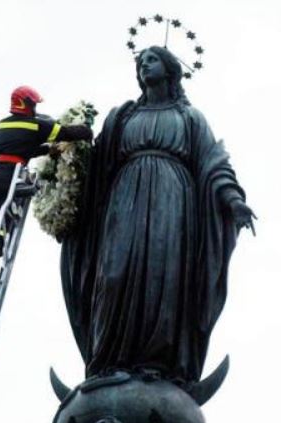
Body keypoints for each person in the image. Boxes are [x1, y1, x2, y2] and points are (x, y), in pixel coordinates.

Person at [61, 46, 255, 382]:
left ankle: (157, 362)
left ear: (169, 69)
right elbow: (95, 165)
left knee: (161, 275)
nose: (143, 66)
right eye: (140, 62)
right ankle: (110, 361)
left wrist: (232, 198)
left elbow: (213, 161)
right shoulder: (122, 117)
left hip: (173, 200)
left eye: (151, 60)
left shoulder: (190, 117)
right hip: (124, 201)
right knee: (113, 274)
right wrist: (64, 162)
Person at [0, 85, 93, 292]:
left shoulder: (2, 124)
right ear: (25, 104)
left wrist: (48, 150)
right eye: (33, 104)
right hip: (6, 175)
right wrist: (86, 130)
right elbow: (65, 132)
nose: (34, 108)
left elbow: (23, 147)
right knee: (0, 218)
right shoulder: (36, 125)